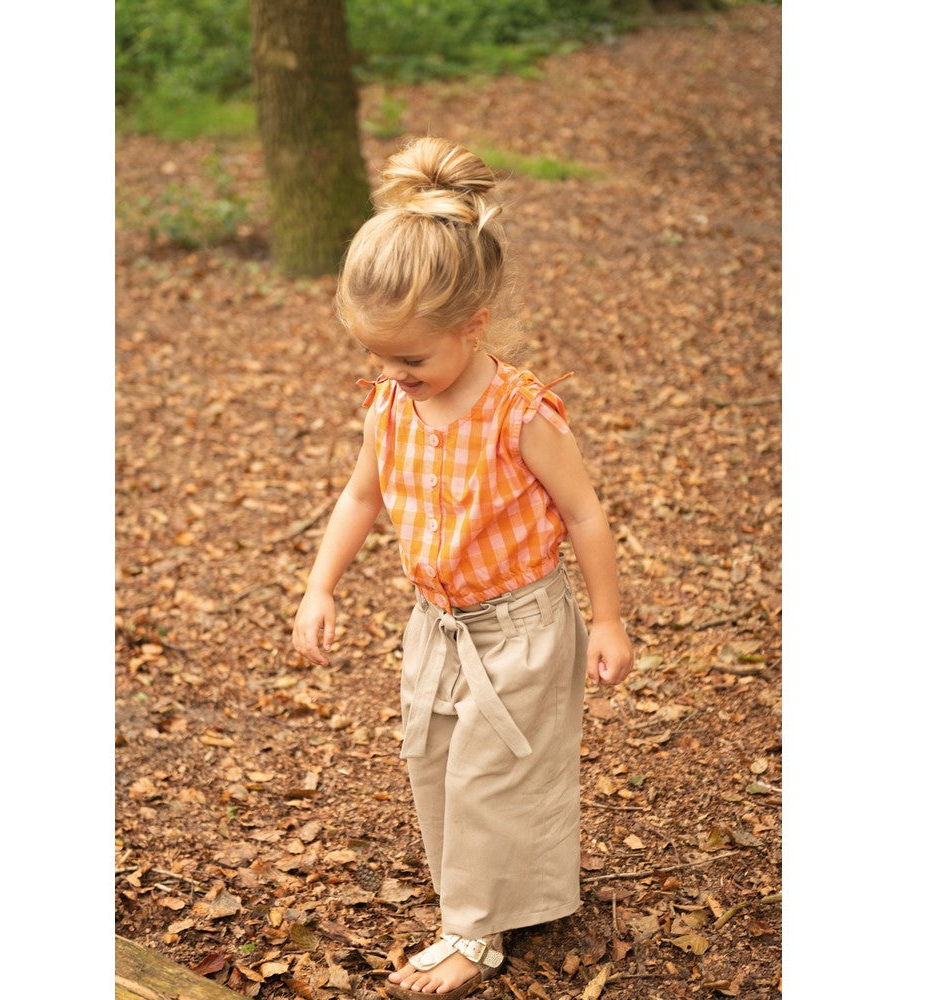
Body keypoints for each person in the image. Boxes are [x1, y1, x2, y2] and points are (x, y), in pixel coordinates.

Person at [292, 136, 634, 1000]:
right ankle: (503, 897)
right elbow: (361, 497)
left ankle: (473, 935)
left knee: (494, 775)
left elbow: (585, 514)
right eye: (377, 357)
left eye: (410, 359)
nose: (391, 375)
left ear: (472, 326)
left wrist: (607, 619)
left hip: (520, 629)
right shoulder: (390, 406)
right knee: (437, 763)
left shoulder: (520, 414)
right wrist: (320, 585)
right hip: (436, 625)